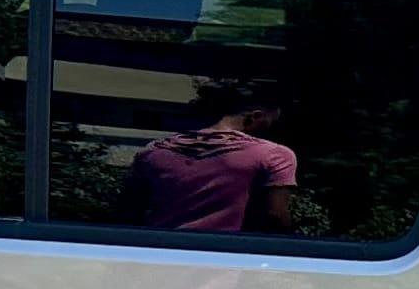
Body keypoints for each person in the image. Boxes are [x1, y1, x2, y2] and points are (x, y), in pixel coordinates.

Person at [130, 92, 304, 236]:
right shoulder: (274, 155)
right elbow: (275, 216)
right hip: (224, 254)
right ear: (255, 117)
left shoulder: (154, 152)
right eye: (271, 122)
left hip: (159, 249)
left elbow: (130, 210)